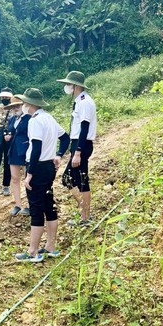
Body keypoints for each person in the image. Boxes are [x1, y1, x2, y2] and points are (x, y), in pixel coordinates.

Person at [14, 88, 70, 263]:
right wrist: (58, 154)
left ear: (29, 104)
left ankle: (33, 251)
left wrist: (29, 173)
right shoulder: (49, 118)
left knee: (36, 208)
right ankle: (50, 247)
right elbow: (66, 137)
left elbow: (36, 147)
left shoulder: (35, 121)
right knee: (48, 204)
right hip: (48, 167)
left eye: (24, 102)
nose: (23, 105)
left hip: (37, 167)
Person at [57, 71, 97, 226]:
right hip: (77, 143)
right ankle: (84, 213)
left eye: (68, 84)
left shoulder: (85, 102)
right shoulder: (80, 101)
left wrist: (78, 152)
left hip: (82, 144)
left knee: (80, 180)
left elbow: (84, 128)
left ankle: (85, 216)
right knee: (70, 179)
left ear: (75, 86)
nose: (66, 87)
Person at [3, 95, 31, 216]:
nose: (16, 108)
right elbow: (9, 131)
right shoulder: (12, 119)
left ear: (24, 105)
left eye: (18, 105)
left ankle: (30, 204)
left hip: (25, 150)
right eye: (14, 106)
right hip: (13, 149)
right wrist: (7, 136)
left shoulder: (29, 118)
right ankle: (18, 204)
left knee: (27, 178)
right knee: (14, 178)